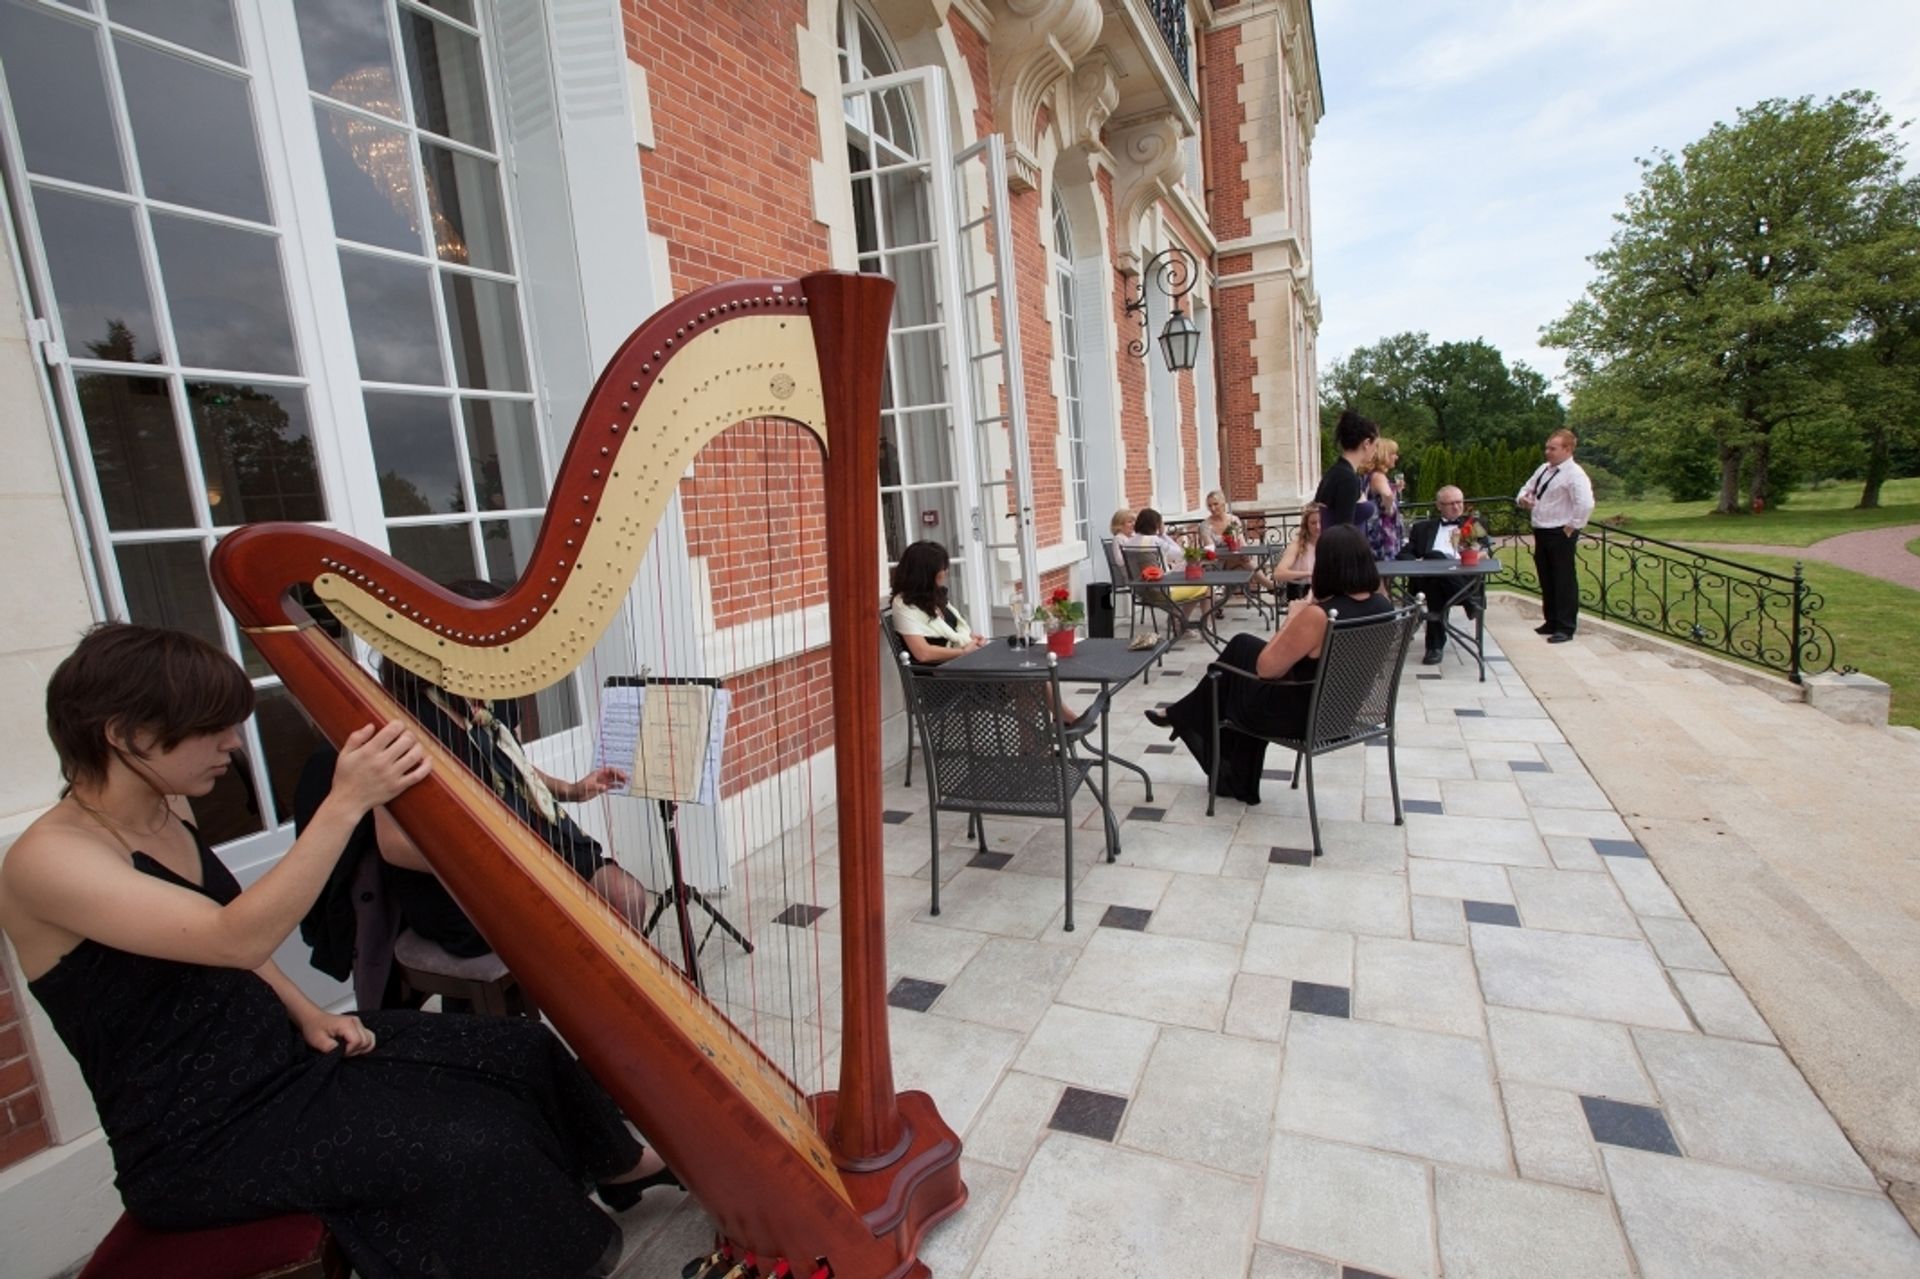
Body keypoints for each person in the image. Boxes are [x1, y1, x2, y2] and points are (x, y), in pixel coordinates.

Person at [0, 624, 669, 1279]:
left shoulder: (167, 810)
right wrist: (347, 800)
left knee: (516, 1050)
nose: (233, 744)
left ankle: (620, 1166)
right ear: (125, 734)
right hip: (202, 1133)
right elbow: (235, 935)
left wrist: (307, 1013)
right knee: (474, 1143)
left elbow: (227, 943)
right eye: (213, 728)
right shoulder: (51, 860)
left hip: (282, 1056)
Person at [1145, 526, 1394, 803]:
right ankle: (1183, 714)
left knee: (1225, 682)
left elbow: (1267, 669)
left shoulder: (1320, 617)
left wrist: (1293, 617)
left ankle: (1189, 720)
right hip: (1340, 712)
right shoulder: (1383, 607)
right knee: (1241, 645)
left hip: (1303, 717)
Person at [1516, 428, 1594, 644]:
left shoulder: (1575, 474)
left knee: (1563, 579)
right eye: (1547, 448)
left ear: (1567, 449)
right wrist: (1523, 499)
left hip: (1560, 532)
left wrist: (1572, 526)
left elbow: (1585, 503)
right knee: (1547, 577)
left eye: (1553, 448)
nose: (1547, 452)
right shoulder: (1544, 469)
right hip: (1541, 529)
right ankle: (1551, 620)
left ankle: (1565, 626)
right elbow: (1526, 488)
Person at [1402, 485, 1483, 665]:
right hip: (1428, 580)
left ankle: (1434, 648)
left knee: (1436, 587)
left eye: (1459, 502)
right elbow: (1405, 553)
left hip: (1463, 579)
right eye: (1451, 503)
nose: (1456, 507)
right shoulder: (1422, 528)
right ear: (1439, 506)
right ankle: (1470, 604)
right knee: (1435, 561)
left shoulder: (1472, 526)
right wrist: (1419, 562)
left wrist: (1471, 549)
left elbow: (1487, 552)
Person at [888, 540, 990, 665]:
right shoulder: (904, 605)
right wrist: (963, 651)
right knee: (1006, 674)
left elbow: (949, 632)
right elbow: (923, 653)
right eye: (942, 567)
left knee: (1008, 668)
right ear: (926, 572)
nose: (946, 571)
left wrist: (970, 639)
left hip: (958, 667)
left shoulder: (935, 596)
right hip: (938, 677)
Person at [1119, 507, 1208, 632]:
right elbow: (1179, 554)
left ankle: (1178, 621)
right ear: (1156, 525)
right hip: (1162, 592)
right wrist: (1163, 534)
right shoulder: (1155, 541)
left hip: (1140, 591)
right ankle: (1183, 624)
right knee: (1205, 588)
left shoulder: (1128, 543)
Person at [1313, 408, 1379, 528]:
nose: (1376, 450)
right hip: (1345, 546)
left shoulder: (1336, 473)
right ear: (1367, 443)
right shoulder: (1346, 478)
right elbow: (1344, 531)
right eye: (1376, 445)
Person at [1204, 490, 1274, 592]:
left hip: (1237, 559)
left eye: (1215, 504)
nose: (1213, 508)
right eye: (1210, 506)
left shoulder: (1233, 520)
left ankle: (1270, 586)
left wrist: (1246, 554)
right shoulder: (1205, 526)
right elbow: (1211, 552)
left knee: (1244, 560)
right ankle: (1270, 586)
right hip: (1217, 563)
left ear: (1223, 503)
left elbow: (1242, 543)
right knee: (1243, 561)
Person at [1362, 437, 1405, 559]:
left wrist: (1395, 488)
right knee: (1384, 567)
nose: (1396, 457)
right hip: (1382, 531)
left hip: (1376, 529)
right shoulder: (1378, 475)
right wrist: (1389, 509)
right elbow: (1386, 494)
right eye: (1393, 454)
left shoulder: (1371, 475)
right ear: (1384, 455)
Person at [1273, 502, 1324, 601]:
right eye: (1313, 523)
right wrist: (1308, 573)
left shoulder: (1329, 543)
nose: (1318, 527)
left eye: (1321, 522)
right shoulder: (1297, 545)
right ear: (1306, 525)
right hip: (1301, 592)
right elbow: (1278, 574)